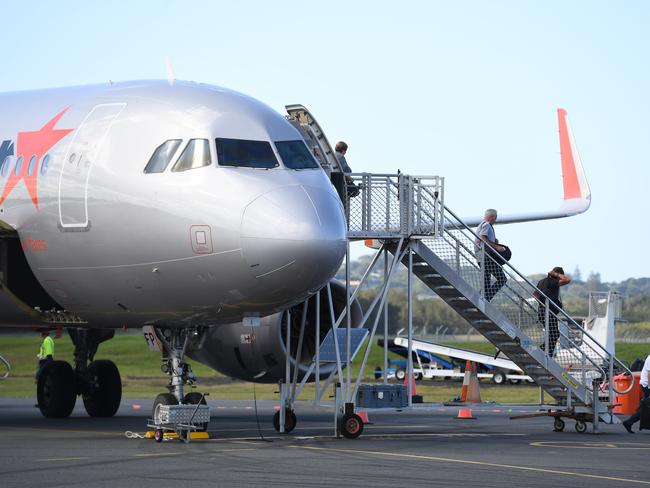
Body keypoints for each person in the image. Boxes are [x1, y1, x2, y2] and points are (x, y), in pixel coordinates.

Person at [535, 267, 571, 356]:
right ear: (557, 274)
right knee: (554, 334)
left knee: (551, 334)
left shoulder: (541, 281)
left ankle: (544, 352)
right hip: (549, 313)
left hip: (541, 312)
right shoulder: (553, 281)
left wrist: (543, 302)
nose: (561, 277)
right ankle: (544, 352)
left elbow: (535, 294)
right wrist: (556, 274)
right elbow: (567, 280)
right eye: (560, 275)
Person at [474, 209, 507, 301]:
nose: (495, 220)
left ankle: (480, 299)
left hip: (481, 257)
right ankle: (486, 299)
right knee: (502, 279)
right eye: (495, 218)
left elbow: (482, 238)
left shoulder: (482, 224)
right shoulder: (487, 225)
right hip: (486, 257)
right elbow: (482, 237)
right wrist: (496, 247)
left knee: (486, 283)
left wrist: (494, 242)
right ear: (493, 217)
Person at [623, 353, 650, 433]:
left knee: (645, 407)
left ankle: (629, 422)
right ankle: (629, 422)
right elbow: (649, 374)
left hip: (646, 384)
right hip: (647, 385)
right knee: (646, 406)